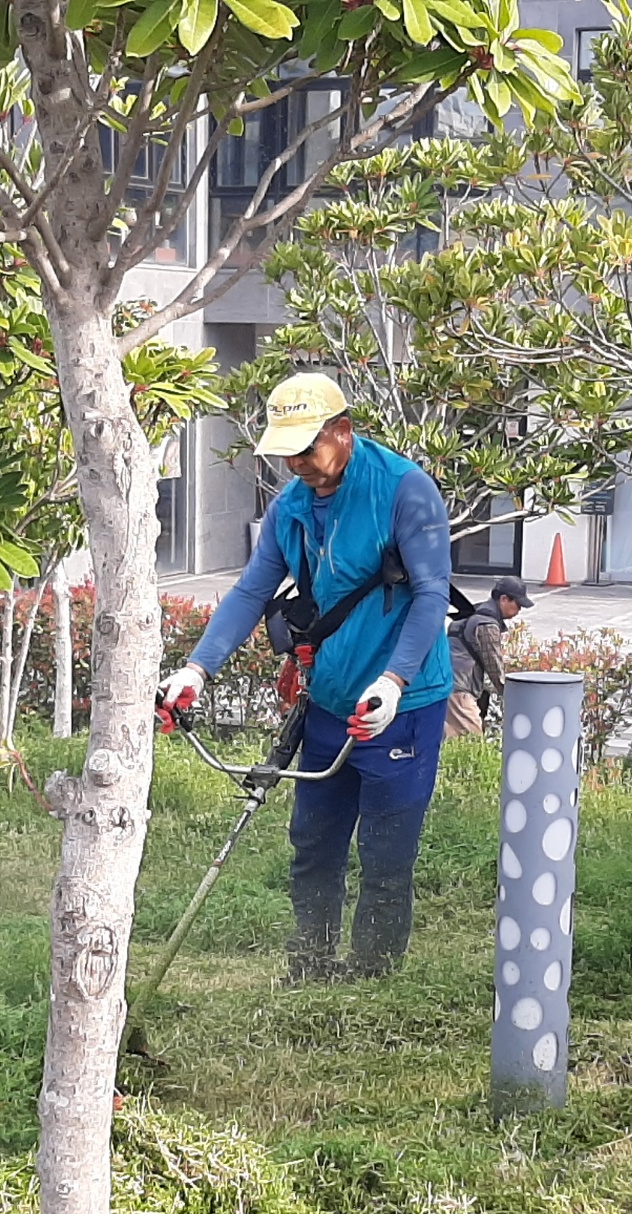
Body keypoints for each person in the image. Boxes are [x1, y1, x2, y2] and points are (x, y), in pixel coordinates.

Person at [158, 374, 454, 981]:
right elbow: (249, 592)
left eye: (308, 449)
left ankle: (373, 979)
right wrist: (196, 668)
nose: (298, 464)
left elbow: (430, 595)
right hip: (325, 705)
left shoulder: (404, 491)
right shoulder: (289, 508)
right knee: (313, 845)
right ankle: (311, 968)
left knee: (385, 853)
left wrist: (394, 682)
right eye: (287, 452)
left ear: (342, 432)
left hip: (403, 705)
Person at [446, 573, 533, 737]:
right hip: (460, 690)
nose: (519, 610)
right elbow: (494, 665)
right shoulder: (487, 625)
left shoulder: (475, 613)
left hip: (447, 684)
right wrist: (510, 696)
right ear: (504, 599)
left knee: (451, 737)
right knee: (473, 740)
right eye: (518, 604)